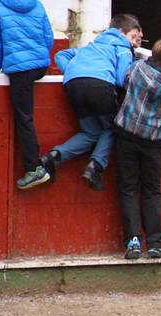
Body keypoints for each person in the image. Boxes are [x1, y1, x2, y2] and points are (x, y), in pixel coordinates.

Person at [40, 14, 141, 191]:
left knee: (92, 132)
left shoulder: (92, 46)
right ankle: (96, 167)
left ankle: (55, 156)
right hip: (100, 86)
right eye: (132, 36)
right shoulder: (123, 48)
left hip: (73, 85)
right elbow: (120, 79)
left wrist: (72, 71)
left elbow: (61, 55)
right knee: (112, 127)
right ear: (120, 32)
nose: (133, 42)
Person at [115, 39, 161, 259]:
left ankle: (133, 241)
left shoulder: (137, 69)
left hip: (127, 134)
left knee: (129, 189)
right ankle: (155, 243)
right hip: (154, 141)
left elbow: (125, 78)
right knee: (152, 191)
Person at [0, 0, 53, 189]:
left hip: (21, 68)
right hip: (41, 66)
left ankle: (34, 168)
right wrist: (40, 57)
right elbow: (48, 37)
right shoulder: (35, 3)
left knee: (24, 118)